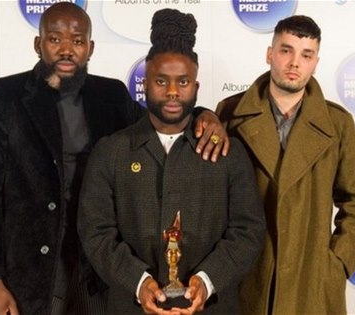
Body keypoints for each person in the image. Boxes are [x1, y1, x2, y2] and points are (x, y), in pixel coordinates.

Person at [0, 3, 229, 315]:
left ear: (89, 48)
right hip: (28, 270)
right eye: (55, 40)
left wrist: (204, 114)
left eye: (77, 41)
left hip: (98, 268)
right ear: (38, 44)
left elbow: (162, 121)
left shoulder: (111, 95)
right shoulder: (5, 96)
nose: (66, 50)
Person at [77, 8, 265, 315]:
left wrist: (207, 280)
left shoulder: (229, 153)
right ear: (145, 84)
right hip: (129, 306)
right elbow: (95, 231)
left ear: (197, 87)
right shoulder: (110, 152)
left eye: (184, 81)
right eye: (161, 81)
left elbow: (248, 231)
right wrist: (138, 282)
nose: (173, 92)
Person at [216, 15, 355, 315]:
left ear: (316, 62)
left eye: (306, 55)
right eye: (286, 50)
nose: (295, 63)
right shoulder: (229, 114)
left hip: (311, 286)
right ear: (270, 54)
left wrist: (336, 264)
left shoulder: (337, 124)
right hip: (247, 280)